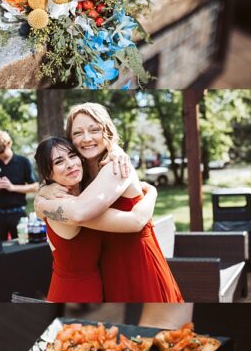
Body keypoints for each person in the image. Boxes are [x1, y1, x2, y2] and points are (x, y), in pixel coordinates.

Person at [35, 103, 183, 303]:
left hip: (136, 261)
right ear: (70, 139)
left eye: (94, 130)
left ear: (108, 132)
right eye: (78, 133)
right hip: (106, 267)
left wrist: (41, 205)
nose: (87, 138)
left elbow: (81, 212)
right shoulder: (81, 175)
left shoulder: (115, 165)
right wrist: (43, 192)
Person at [33, 136, 159, 302]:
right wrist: (152, 193)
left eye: (72, 156)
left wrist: (115, 150)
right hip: (73, 293)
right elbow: (136, 220)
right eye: (59, 162)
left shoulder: (85, 197)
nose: (70, 164)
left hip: (96, 286)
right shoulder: (68, 208)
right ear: (48, 173)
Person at [0, 130, 37, 242]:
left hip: (17, 214)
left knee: (23, 247)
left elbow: (35, 187)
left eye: (1, 151)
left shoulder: (23, 162)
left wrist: (12, 187)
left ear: (9, 144)